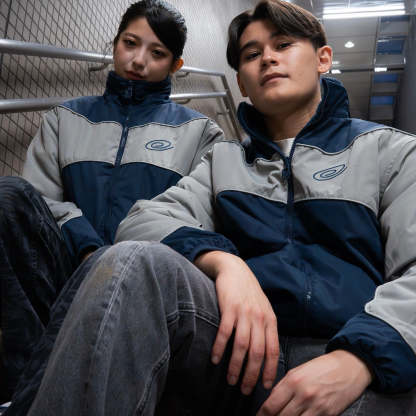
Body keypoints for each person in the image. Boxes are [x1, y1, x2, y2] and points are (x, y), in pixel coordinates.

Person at [5, 0, 416, 415]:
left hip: (352, 351)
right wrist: (224, 262)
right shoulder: (224, 161)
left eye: (283, 45)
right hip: (236, 348)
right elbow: (144, 220)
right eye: (252, 54)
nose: (267, 58)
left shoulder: (391, 151)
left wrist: (361, 357)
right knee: (131, 259)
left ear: (323, 58)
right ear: (241, 82)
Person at [0, 0, 224, 402]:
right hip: (67, 266)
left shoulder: (200, 133)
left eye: (157, 53)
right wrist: (86, 245)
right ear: (116, 42)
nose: (138, 61)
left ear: (175, 65)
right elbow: (40, 196)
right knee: (8, 196)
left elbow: (198, 217)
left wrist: (118, 256)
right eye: (130, 43)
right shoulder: (66, 118)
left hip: (140, 284)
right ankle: (21, 383)